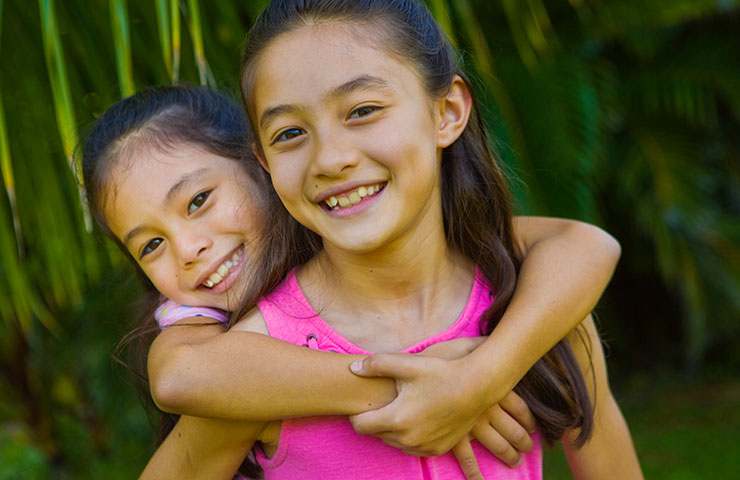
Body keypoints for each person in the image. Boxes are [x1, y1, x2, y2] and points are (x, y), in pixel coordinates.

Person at [78, 13, 637, 474]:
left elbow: (583, 245)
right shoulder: (254, 373)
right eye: (291, 133)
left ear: (447, 112)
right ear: (268, 163)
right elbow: (179, 378)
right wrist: (414, 388)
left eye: (363, 111)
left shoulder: (529, 298)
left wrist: (477, 377)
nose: (331, 158)